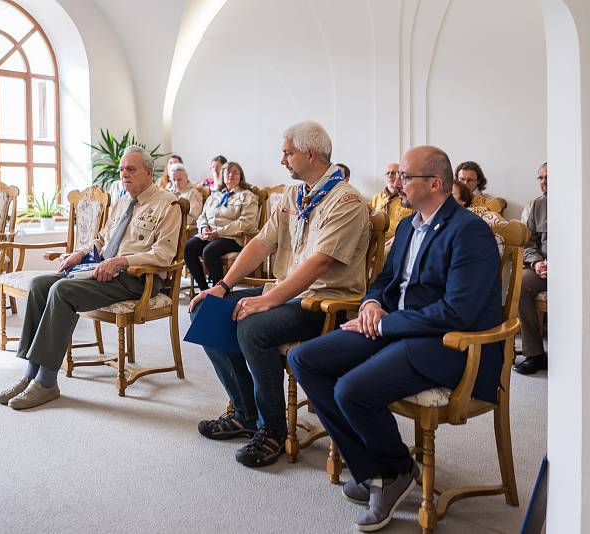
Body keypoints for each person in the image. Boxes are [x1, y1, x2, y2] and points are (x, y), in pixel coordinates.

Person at [288, 146, 502, 532]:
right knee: (305, 360)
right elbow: (386, 282)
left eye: (406, 176)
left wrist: (386, 325)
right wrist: (370, 305)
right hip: (394, 329)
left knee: (351, 389)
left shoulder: (469, 232)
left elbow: (459, 313)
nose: (397, 183)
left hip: (448, 344)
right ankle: (380, 469)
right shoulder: (407, 225)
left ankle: (393, 472)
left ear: (436, 183)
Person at [190, 121, 370, 468]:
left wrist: (266, 300)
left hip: (325, 302)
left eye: (287, 152)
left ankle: (273, 430)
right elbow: (261, 243)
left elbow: (319, 264)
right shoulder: (293, 195)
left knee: (253, 327)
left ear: (310, 153)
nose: (282, 159)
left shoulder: (346, 200)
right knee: (209, 311)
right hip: (287, 292)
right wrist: (223, 286)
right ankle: (245, 412)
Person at [0, 145, 182, 410]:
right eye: (121, 169)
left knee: (62, 291)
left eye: (131, 169)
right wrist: (78, 254)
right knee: (39, 285)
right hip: (103, 271)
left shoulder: (168, 204)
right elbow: (102, 240)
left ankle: (47, 382)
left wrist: (120, 261)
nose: (124, 174)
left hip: (137, 280)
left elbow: (163, 255)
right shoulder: (121, 201)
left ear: (149, 173)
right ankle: (31, 374)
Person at [184, 162, 258, 291]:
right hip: (210, 235)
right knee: (189, 247)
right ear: (222, 176)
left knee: (209, 251)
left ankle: (219, 292)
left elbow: (247, 222)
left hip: (232, 237)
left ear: (241, 176)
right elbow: (202, 216)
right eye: (227, 172)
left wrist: (220, 232)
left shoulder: (247, 195)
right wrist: (203, 228)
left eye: (235, 172)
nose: (230, 175)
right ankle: (204, 290)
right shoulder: (214, 195)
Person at [515, 162, 548, 375]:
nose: (544, 182)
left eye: (549, 177)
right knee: (521, 282)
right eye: (541, 178)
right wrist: (536, 262)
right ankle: (535, 354)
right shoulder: (537, 206)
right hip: (542, 268)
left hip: (576, 270)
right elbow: (528, 243)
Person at [368, 162, 414, 247]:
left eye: (393, 173)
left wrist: (399, 237)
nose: (389, 176)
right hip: (374, 242)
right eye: (387, 173)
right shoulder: (376, 198)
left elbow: (415, 225)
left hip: (398, 242)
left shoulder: (408, 200)